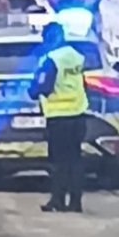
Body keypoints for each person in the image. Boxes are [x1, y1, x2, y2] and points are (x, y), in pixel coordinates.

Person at [29, 21, 88, 213]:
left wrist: (33, 90)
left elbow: (42, 86)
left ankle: (58, 200)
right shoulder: (76, 56)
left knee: (58, 162)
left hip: (58, 116)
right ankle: (76, 201)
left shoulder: (51, 59)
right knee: (75, 159)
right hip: (78, 114)